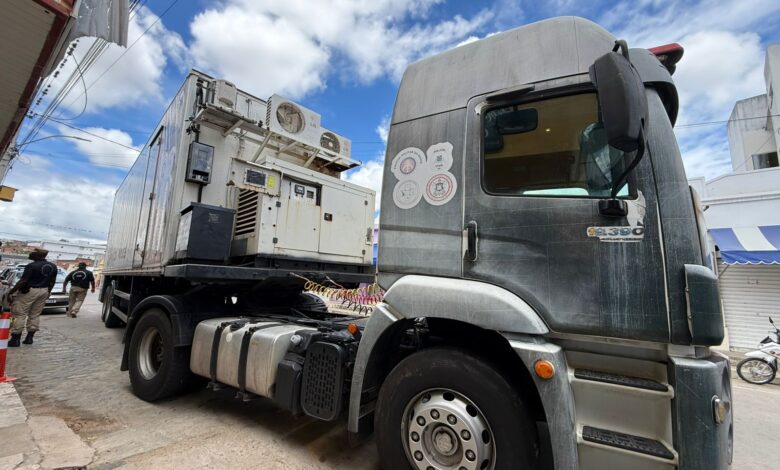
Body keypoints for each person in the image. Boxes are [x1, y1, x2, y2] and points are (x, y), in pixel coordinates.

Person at [7, 249, 57, 346]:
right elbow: (53, 281)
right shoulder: (53, 266)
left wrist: (11, 291)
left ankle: (15, 339)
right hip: (44, 290)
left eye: (33, 252)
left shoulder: (31, 266)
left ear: (38, 255)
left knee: (19, 314)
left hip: (29, 291)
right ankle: (30, 337)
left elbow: (23, 281)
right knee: (35, 314)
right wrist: (48, 291)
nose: (30, 254)